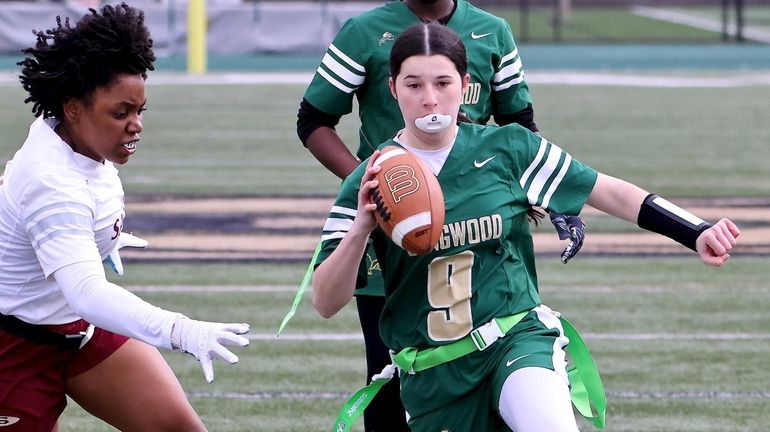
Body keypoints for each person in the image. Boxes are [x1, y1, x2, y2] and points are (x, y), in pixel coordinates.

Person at [312, 22, 740, 432]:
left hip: (515, 339)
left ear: (465, 85)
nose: (430, 99)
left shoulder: (509, 147)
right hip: (434, 372)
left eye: (443, 83)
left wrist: (695, 230)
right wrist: (361, 228)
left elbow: (607, 192)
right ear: (392, 90)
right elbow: (326, 302)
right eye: (414, 85)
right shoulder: (369, 180)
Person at [297, 1, 584, 428]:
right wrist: (382, 193)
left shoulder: (493, 31)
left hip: (472, 227)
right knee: (394, 371)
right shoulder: (364, 32)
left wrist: (545, 193)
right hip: (391, 247)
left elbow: (519, 122)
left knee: (503, 373)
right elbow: (313, 120)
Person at [0, 4, 249, 431]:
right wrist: (179, 329)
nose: (136, 125)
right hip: (14, 343)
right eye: (121, 113)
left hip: (77, 330)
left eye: (140, 111)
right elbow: (88, 295)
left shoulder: (75, 136)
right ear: (74, 107)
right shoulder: (51, 182)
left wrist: (101, 238)